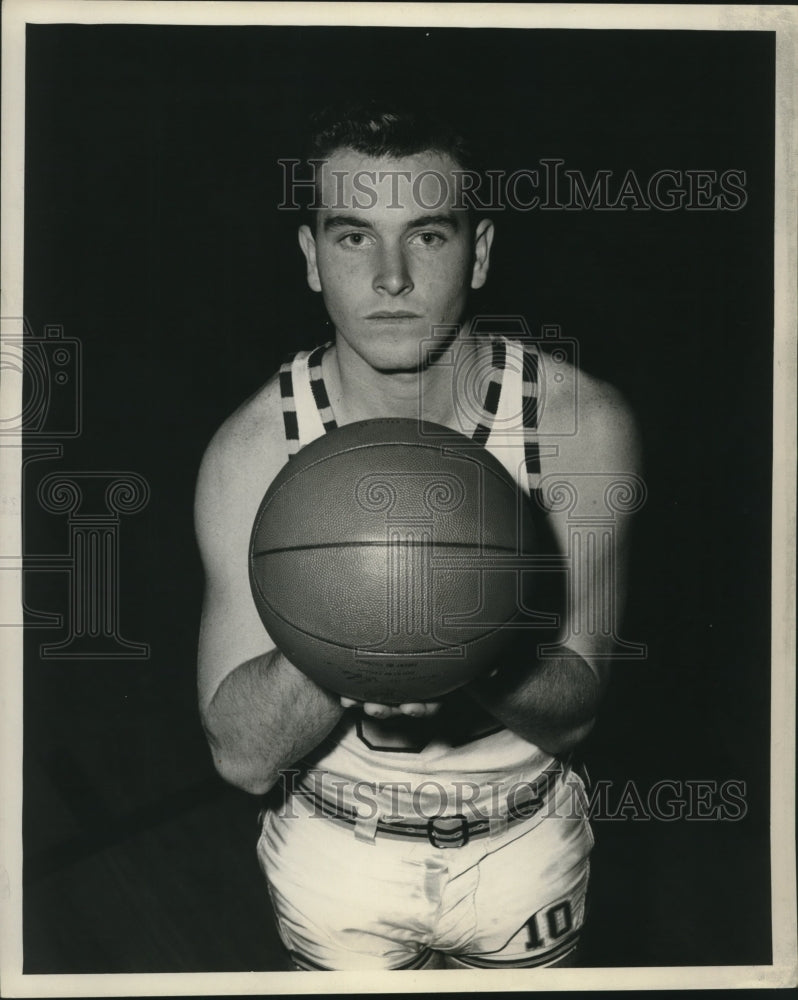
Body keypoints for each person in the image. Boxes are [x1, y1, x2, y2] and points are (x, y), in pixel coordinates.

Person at [195, 100, 641, 971]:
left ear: (477, 252)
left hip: (526, 839)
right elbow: (244, 758)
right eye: (354, 235)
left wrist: (460, 637)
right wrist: (362, 640)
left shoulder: (578, 423)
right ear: (311, 258)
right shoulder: (254, 448)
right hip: (336, 850)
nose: (391, 277)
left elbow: (578, 713)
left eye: (428, 236)